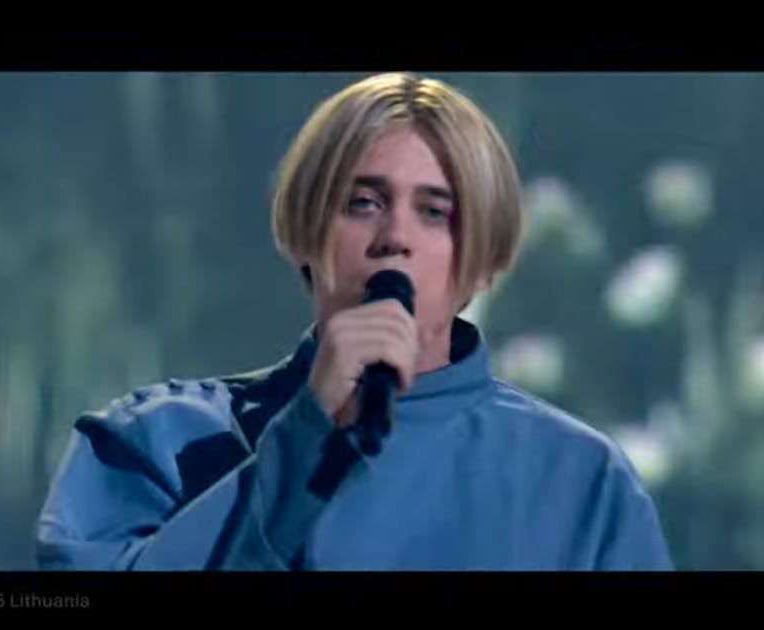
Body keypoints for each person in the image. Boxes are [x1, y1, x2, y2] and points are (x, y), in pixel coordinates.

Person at [35, 72, 675, 571]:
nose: (395, 237)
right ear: (305, 231)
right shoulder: (159, 443)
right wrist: (306, 433)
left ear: (483, 259)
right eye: (363, 203)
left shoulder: (582, 484)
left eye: (435, 212)